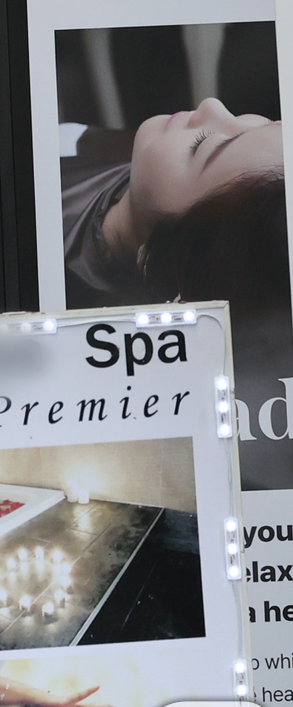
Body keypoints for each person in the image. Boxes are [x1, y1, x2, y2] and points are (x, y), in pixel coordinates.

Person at [61, 96, 291, 489]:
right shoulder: (91, 143)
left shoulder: (79, 337)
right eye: (266, 122)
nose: (212, 105)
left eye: (203, 146)